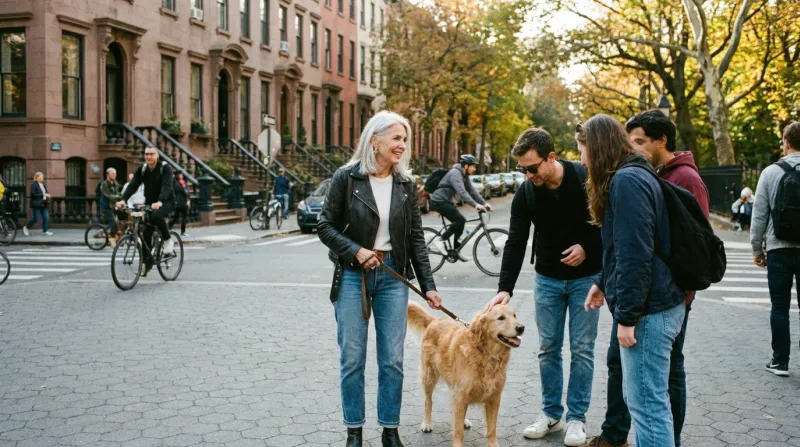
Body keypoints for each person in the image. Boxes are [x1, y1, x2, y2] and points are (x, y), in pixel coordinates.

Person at [583, 110, 710, 447]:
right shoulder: (637, 174)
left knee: (647, 407)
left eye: (582, 149)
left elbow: (635, 255)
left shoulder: (627, 181)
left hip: (649, 311)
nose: (581, 158)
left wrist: (627, 317)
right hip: (657, 304)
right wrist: (602, 282)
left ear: (597, 148)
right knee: (651, 404)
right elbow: (632, 247)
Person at [317, 110, 443, 447]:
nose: (402, 145)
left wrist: (428, 286)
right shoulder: (347, 178)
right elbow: (324, 226)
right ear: (375, 140)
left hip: (392, 279)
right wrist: (355, 251)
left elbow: (416, 237)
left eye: (405, 139)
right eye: (397, 138)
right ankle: (354, 432)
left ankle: (390, 430)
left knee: (392, 360)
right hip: (352, 277)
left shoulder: (405, 184)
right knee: (352, 358)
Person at [482, 128, 603, 446]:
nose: (527, 174)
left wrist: (588, 247)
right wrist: (504, 288)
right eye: (522, 168)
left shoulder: (584, 178)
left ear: (551, 157)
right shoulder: (526, 192)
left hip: (585, 279)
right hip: (547, 279)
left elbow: (610, 221)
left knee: (582, 349)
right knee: (548, 348)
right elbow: (516, 241)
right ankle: (551, 414)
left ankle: (576, 419)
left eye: (532, 168)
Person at [751, 121, 800, 377]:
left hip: (778, 248)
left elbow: (759, 214)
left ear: (786, 142)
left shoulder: (771, 172)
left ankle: (780, 361)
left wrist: (757, 248)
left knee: (779, 306)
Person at [116, 146, 176, 277]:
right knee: (145, 234)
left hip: (166, 202)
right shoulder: (143, 169)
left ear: (157, 155)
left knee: (156, 216)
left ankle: (167, 239)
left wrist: (160, 201)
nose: (148, 157)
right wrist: (123, 200)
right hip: (150, 203)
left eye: (151, 154)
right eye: (146, 154)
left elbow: (167, 186)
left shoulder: (165, 168)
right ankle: (147, 264)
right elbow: (133, 185)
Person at [428, 154, 490, 261]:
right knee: (460, 220)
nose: (474, 169)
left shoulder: (464, 176)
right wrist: (475, 205)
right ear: (466, 166)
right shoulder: (455, 174)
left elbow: (472, 191)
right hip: (439, 201)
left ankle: (457, 250)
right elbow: (462, 192)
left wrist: (484, 203)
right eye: (473, 166)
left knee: (461, 222)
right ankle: (440, 240)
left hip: (446, 201)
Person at [23, 172, 53, 236]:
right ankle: (26, 227)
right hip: (36, 204)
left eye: (43, 176)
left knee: (46, 217)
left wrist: (48, 195)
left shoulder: (43, 185)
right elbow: (33, 194)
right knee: (36, 218)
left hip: (43, 203)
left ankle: (45, 231)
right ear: (37, 177)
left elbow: (46, 192)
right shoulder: (34, 185)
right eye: (41, 176)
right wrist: (44, 194)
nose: (42, 177)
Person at [100, 168, 122, 242]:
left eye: (115, 174)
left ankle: (115, 234)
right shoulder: (104, 184)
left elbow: (118, 193)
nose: (114, 175)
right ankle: (112, 239)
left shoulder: (116, 183)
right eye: (113, 173)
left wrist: (122, 200)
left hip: (114, 206)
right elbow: (108, 195)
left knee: (122, 220)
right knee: (114, 223)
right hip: (106, 207)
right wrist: (117, 200)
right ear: (107, 174)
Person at [170, 171, 190, 237]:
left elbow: (187, 191)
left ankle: (183, 231)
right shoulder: (175, 182)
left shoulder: (183, 182)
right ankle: (167, 228)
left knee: (184, 217)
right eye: (180, 175)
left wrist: (188, 200)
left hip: (184, 202)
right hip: (178, 202)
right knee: (176, 217)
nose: (181, 176)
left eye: (182, 175)